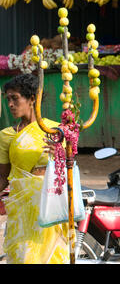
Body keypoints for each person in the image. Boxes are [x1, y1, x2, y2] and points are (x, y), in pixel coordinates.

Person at [0, 73, 69, 264]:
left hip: (48, 204)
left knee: (51, 257)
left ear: (32, 99)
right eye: (8, 100)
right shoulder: (6, 136)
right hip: (21, 208)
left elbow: (66, 170)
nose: (11, 104)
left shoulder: (53, 130)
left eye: (15, 98)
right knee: (24, 257)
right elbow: (3, 177)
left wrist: (59, 155)